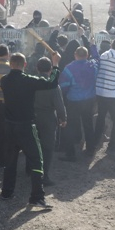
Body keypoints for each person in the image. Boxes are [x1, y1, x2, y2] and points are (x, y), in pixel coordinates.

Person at [0, 51, 61, 209]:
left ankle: (6, 192)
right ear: (25, 65)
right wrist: (55, 64)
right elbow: (51, 83)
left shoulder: (4, 80)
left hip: (9, 126)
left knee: (10, 161)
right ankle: (36, 197)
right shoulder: (28, 80)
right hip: (26, 126)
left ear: (10, 64)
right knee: (37, 161)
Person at [59, 43, 100, 161]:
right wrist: (93, 47)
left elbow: (63, 86)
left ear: (75, 55)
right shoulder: (93, 65)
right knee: (88, 124)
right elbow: (98, 59)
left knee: (70, 126)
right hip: (89, 100)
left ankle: (70, 153)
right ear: (87, 55)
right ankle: (90, 149)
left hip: (74, 101)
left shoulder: (68, 68)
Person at [32, 57, 67, 186]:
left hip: (32, 117)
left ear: (37, 68)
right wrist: (63, 118)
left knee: (33, 145)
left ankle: (30, 170)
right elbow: (59, 105)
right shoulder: (53, 85)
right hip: (48, 118)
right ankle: (44, 175)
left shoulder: (31, 82)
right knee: (47, 148)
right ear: (50, 69)